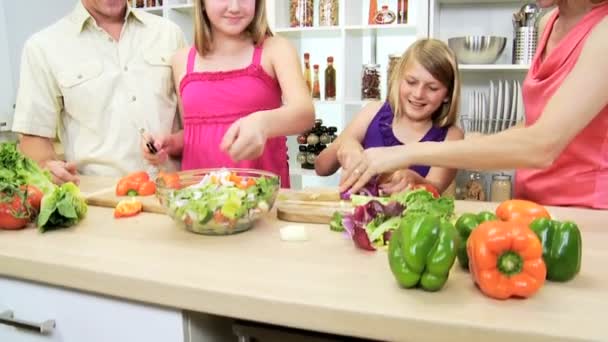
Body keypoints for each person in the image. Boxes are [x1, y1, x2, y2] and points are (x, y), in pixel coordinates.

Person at [340, 0, 608, 209]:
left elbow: (543, 145)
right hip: (532, 203)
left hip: (586, 210)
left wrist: (407, 152)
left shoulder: (603, 32)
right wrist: (482, 142)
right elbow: (535, 124)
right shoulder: (548, 22)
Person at [142, 0, 315, 188]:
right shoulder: (182, 60)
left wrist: (262, 123)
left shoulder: (276, 49)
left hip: (259, 198)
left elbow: (305, 114)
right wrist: (170, 143)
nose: (234, 7)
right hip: (198, 200)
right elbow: (195, 132)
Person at [11, 0, 187, 184]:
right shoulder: (42, 47)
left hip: (175, 193)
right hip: (102, 202)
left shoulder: (169, 33)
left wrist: (172, 143)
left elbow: (194, 126)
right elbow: (33, 139)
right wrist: (47, 167)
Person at [315, 39, 463, 195]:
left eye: (432, 88)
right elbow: (321, 167)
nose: (418, 94)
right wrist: (345, 145)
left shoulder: (451, 137)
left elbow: (435, 190)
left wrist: (418, 182)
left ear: (447, 94)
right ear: (398, 79)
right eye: (411, 82)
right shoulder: (372, 112)